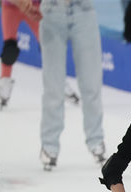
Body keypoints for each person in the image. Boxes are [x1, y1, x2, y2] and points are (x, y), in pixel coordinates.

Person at [39, 0, 106, 170]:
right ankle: (49, 145)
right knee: (53, 85)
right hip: (51, 10)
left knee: (91, 82)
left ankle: (96, 141)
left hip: (83, 10)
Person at [0, 0, 41, 109]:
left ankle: (58, 79)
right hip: (11, 6)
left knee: (48, 45)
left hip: (34, 6)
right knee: (10, 48)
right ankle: (5, 80)